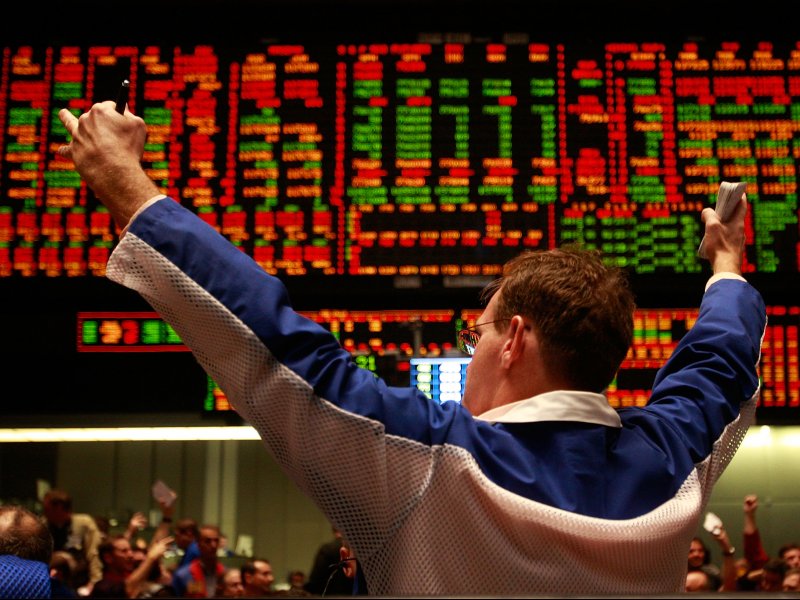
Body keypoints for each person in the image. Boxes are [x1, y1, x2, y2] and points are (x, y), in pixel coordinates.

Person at [58, 100, 766, 595]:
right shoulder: (675, 462)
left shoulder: (430, 460)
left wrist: (127, 184)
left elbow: (273, 338)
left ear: (514, 338)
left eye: (477, 333)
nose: (472, 350)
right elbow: (721, 361)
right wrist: (727, 264)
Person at [42, 488, 105, 594]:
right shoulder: (43, 524)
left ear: (60, 508)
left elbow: (93, 553)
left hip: (80, 579)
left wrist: (95, 582)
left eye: (47, 509)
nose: (45, 512)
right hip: (50, 577)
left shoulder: (83, 523)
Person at [90, 533, 174, 598]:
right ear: (108, 558)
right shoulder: (102, 587)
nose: (130, 555)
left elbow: (156, 544)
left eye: (130, 550)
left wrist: (166, 519)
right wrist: (150, 558)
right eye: (124, 551)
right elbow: (127, 589)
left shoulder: (131, 572)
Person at [171, 524, 225, 597]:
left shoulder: (225, 573)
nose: (213, 545)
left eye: (216, 540)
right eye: (207, 541)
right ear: (198, 544)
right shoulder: (183, 575)